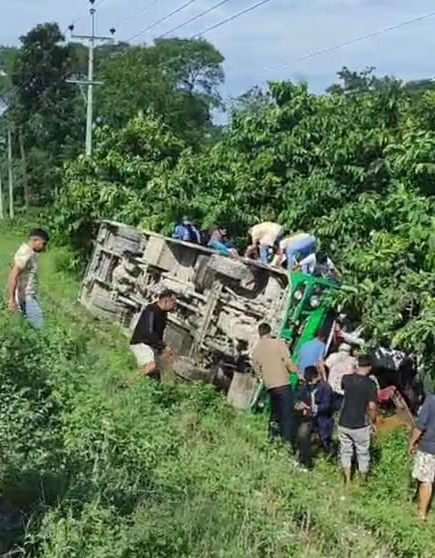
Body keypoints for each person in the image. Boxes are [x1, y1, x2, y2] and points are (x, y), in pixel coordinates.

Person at [252, 323, 297, 447]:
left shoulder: (256, 351)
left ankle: (271, 438)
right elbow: (287, 362)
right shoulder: (278, 344)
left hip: (270, 386)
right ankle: (286, 442)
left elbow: (258, 372)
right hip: (283, 383)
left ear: (259, 333)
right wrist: (296, 372)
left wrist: (265, 378)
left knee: (275, 413)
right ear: (269, 332)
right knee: (287, 414)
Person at [338, 354, 378, 484]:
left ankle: (347, 481)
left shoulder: (346, 379)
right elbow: (371, 406)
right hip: (360, 424)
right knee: (363, 453)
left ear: (357, 364)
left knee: (345, 451)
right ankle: (362, 482)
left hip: (344, 422)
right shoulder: (370, 384)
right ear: (369, 367)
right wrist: (373, 421)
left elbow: (344, 390)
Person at [7, 228, 50, 328]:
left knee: (26, 325)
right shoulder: (25, 253)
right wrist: (11, 299)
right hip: (26, 296)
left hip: (25, 295)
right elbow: (13, 275)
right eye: (43, 244)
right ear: (35, 240)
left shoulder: (30, 252)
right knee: (40, 327)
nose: (44, 247)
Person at [129, 290, 175, 379]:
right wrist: (163, 346)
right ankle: (128, 381)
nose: (174, 305)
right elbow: (148, 333)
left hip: (150, 346)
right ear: (166, 301)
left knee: (156, 375)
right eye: (173, 302)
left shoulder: (163, 315)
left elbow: (159, 335)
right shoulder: (151, 310)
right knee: (151, 366)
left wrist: (162, 350)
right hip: (140, 343)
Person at [294, 366, 334, 469]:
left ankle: (328, 457)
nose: (310, 383)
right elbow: (296, 398)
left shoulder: (326, 388)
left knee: (325, 438)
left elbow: (327, 406)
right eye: (308, 381)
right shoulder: (304, 387)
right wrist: (298, 404)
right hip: (308, 418)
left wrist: (315, 408)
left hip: (322, 418)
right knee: (302, 433)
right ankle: (305, 460)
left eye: (311, 381)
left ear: (317, 377)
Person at [409, 393, 435, 520]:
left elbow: (420, 425)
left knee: (426, 480)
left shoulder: (431, 400)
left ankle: (421, 514)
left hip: (429, 447)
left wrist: (412, 442)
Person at [325, 344, 356, 411]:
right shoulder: (353, 360)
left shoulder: (332, 356)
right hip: (344, 389)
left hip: (331, 386)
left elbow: (326, 366)